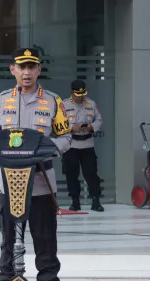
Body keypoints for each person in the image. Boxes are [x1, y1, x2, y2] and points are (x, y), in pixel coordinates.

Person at [0, 47, 72, 281]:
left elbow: (66, 138)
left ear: (39, 70)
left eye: (32, 67)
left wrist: (42, 152)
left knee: (45, 241)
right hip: (8, 185)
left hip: (42, 184)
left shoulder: (53, 102)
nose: (27, 72)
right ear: (13, 70)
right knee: (8, 242)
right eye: (21, 67)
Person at [62, 79, 104, 212]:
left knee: (91, 174)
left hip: (87, 144)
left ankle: (96, 200)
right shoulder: (64, 105)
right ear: (72, 93)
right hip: (71, 145)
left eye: (83, 94)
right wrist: (72, 127)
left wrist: (91, 128)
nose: (80, 97)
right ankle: (75, 201)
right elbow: (58, 123)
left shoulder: (91, 104)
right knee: (71, 174)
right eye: (77, 94)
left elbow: (99, 119)